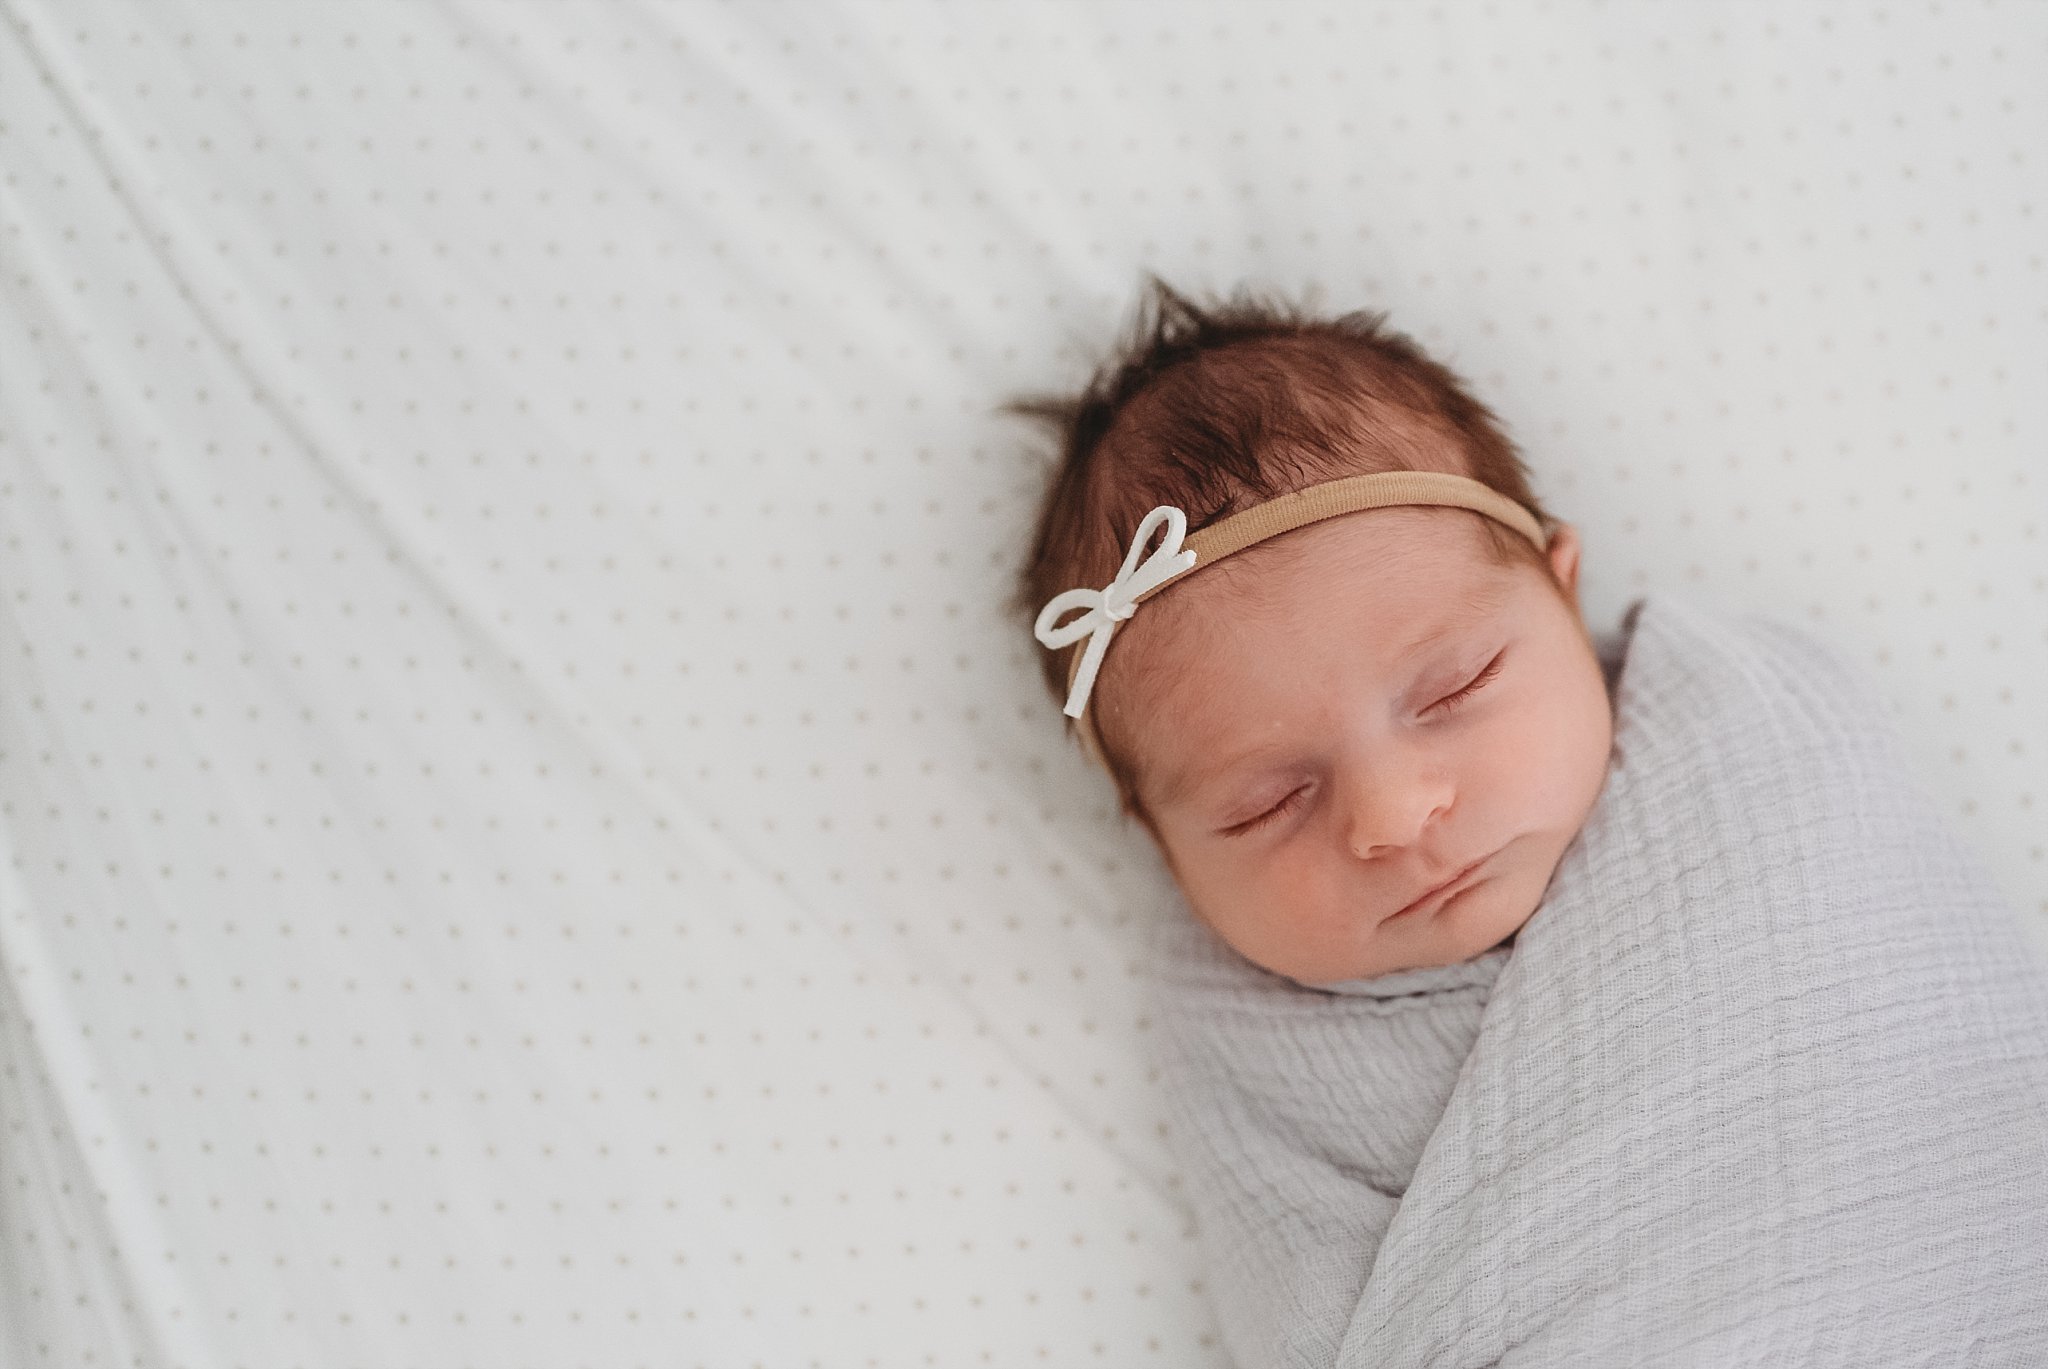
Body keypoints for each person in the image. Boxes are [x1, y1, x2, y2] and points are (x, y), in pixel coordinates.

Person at [1012, 278, 1615, 987]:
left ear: (1565, 593)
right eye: (1268, 805)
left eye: (1455, 688)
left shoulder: (1745, 725)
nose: (1394, 815)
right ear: (1158, 839)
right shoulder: (1242, 1042)